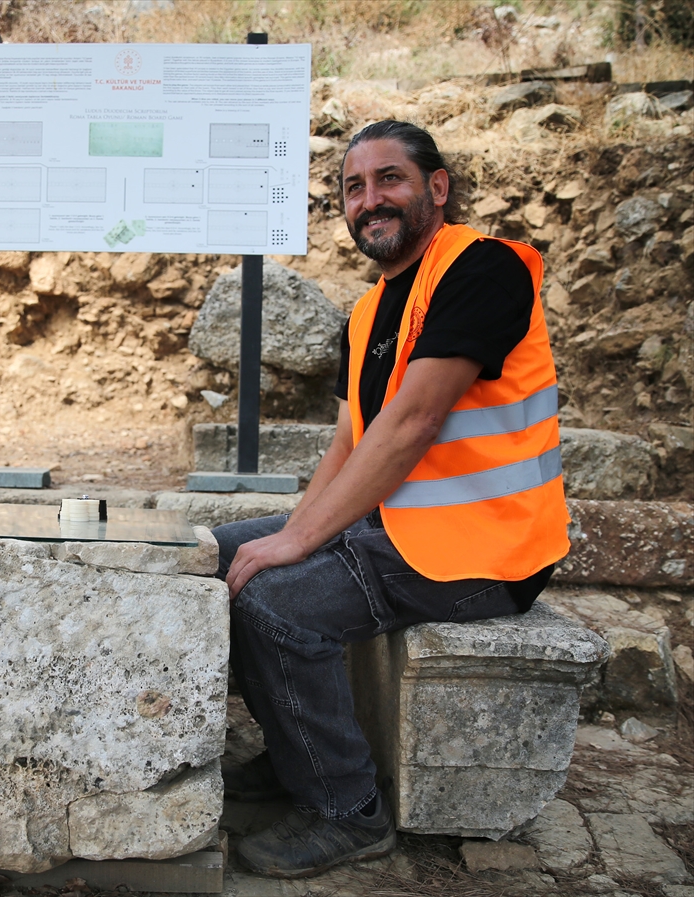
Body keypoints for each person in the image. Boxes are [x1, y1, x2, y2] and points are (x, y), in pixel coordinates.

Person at [214, 120, 570, 879]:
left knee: (278, 603)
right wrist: (296, 530)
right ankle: (297, 753)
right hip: (408, 526)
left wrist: (300, 540)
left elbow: (412, 423)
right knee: (223, 555)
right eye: (353, 187)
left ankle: (348, 811)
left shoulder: (486, 270)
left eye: (389, 180)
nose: (369, 199)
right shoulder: (372, 309)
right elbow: (351, 441)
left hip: (488, 545)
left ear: (436, 188)